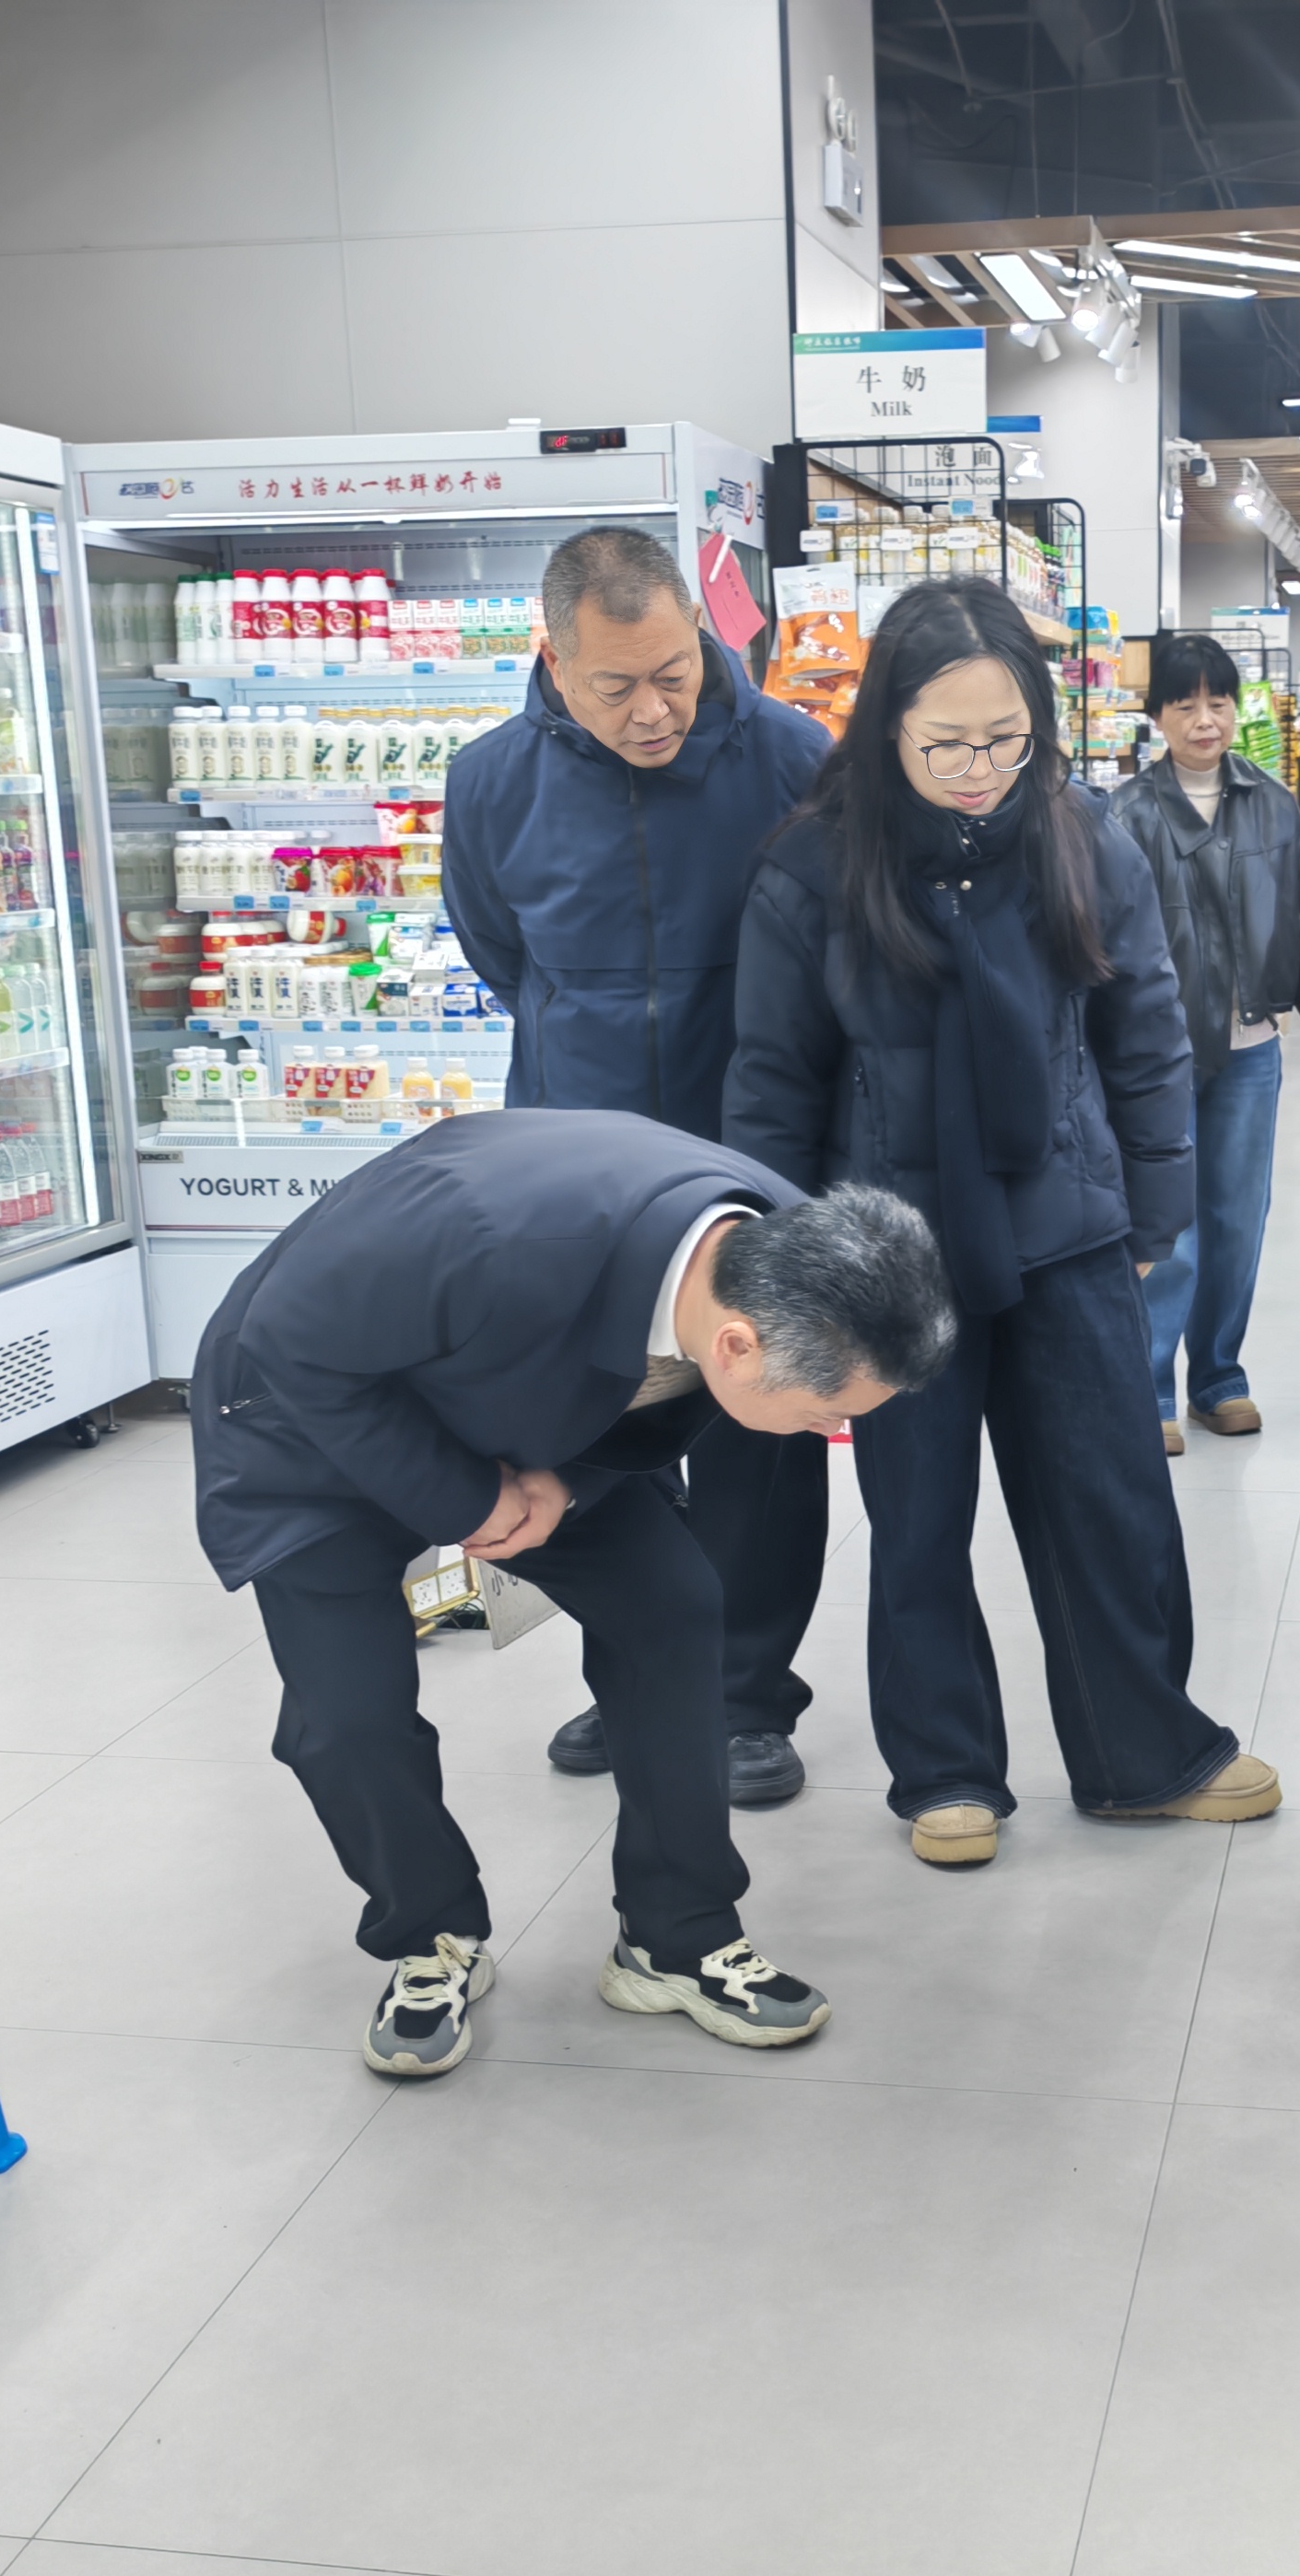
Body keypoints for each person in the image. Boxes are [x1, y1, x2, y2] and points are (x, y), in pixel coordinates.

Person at [191, 1110, 955, 2079]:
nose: (823, 1434)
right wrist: (470, 1501)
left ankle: (676, 1937)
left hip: (529, 1414)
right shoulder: (488, 1233)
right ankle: (429, 1938)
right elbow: (292, 1343)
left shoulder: (789, 1257)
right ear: (734, 1346)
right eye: (822, 1416)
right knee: (346, 1716)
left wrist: (567, 1482)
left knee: (671, 1611)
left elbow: (660, 1400)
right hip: (313, 1416)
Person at [729, 576, 1280, 1869]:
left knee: (1112, 1500)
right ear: (887, 729)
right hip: (889, 1255)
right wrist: (778, 1271)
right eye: (947, 745)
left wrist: (1155, 1209)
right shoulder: (814, 865)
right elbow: (771, 1082)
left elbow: (1144, 1031)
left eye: (1006, 741)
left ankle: (1144, 1753)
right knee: (917, 1519)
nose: (980, 772)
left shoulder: (1082, 836)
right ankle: (945, 1771)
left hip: (1070, 1228)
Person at [442, 523, 837, 1809]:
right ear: (554, 663)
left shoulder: (790, 755)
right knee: (598, 1433)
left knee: (757, 1432)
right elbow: (502, 954)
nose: (654, 709)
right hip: (578, 1173)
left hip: (750, 1155)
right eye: (617, 686)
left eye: (675, 673)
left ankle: (745, 1698)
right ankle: (636, 1681)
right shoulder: (491, 782)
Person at [1104, 631, 1300, 1455]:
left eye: (1218, 702)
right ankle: (1150, 1387)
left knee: (1239, 1218)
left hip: (1252, 1051)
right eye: (1185, 705)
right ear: (1158, 716)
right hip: (1160, 1056)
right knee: (1169, 1226)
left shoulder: (1272, 804)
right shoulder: (1126, 815)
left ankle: (1218, 1377)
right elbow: (1102, 942)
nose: (1205, 720)